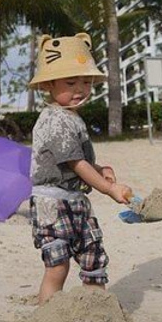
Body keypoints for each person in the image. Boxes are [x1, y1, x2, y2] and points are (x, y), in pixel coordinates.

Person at [28, 33, 132, 305]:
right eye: (71, 82)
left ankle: (97, 313)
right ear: (48, 84)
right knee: (58, 264)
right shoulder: (54, 120)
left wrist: (101, 168)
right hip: (52, 203)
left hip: (77, 201)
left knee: (93, 259)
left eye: (86, 82)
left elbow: (79, 159)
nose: (80, 89)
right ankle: (47, 320)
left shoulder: (72, 117)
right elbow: (76, 163)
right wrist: (108, 188)